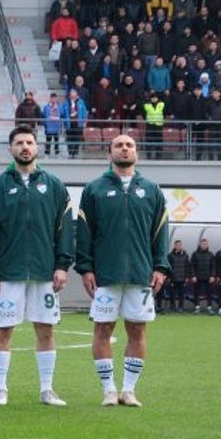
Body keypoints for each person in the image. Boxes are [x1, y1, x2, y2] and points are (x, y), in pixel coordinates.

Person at [0, 126, 73, 407]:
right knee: (4, 330)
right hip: (9, 271)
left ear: (37, 147)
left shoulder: (54, 185)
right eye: (19, 143)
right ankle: (0, 389)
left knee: (46, 330)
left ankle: (47, 389)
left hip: (45, 271)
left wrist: (62, 265)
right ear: (10, 149)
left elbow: (64, 229)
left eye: (29, 142)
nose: (25, 147)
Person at [75, 135, 169, 407]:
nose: (125, 149)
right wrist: (86, 268)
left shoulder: (151, 190)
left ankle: (128, 390)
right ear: (109, 154)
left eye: (129, 145)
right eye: (119, 145)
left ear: (136, 153)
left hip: (140, 273)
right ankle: (108, 390)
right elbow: (84, 233)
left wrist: (160, 266)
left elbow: (160, 232)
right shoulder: (94, 190)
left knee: (137, 330)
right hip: (106, 274)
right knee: (102, 329)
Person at [189, 238, 215, 314]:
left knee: (209, 293)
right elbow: (192, 266)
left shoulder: (211, 254)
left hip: (208, 277)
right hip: (198, 277)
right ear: (200, 245)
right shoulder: (195, 254)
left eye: (205, 244)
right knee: (196, 292)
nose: (204, 245)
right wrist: (193, 275)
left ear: (207, 245)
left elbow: (213, 266)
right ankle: (197, 307)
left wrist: (212, 276)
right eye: (202, 244)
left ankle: (209, 307)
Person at [164, 240, 190, 313]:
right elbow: (168, 267)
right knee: (172, 294)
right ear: (174, 246)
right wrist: (168, 277)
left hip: (182, 278)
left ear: (181, 246)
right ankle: (172, 307)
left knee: (182, 294)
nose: (178, 246)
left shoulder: (185, 255)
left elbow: (187, 267)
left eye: (179, 245)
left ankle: (181, 307)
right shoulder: (170, 256)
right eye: (177, 245)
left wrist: (187, 277)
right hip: (173, 278)